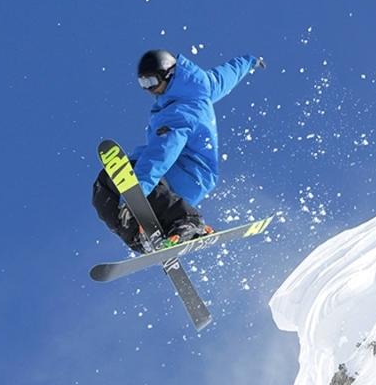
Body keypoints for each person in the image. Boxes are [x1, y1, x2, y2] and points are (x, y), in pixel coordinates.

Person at [93, 49, 265, 252]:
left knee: (128, 172)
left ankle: (187, 220)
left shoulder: (179, 113)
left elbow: (161, 154)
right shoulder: (200, 86)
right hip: (178, 173)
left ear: (169, 73)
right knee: (104, 184)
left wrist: (134, 194)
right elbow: (226, 75)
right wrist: (249, 62)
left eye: (151, 82)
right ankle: (140, 237)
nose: (149, 90)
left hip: (189, 172)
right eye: (143, 84)